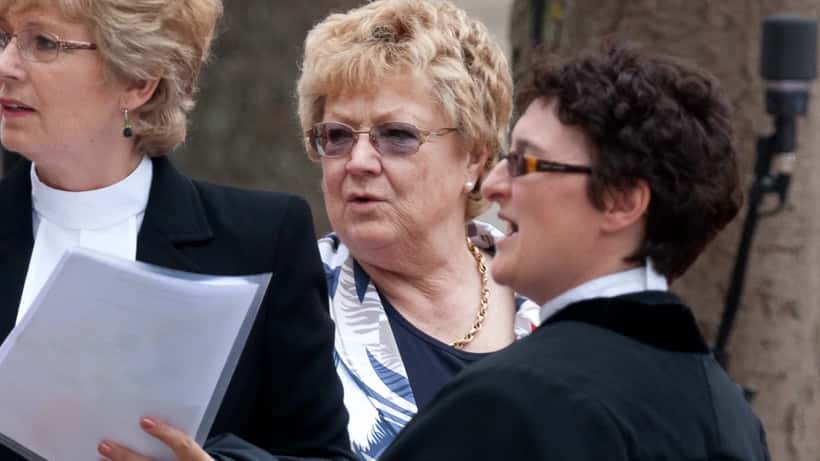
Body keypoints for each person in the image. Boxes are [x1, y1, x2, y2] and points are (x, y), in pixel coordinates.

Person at [379, 44, 772, 460]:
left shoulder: (510, 404)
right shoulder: (733, 419)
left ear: (621, 201)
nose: (492, 185)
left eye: (525, 163)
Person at [0, 1, 351, 460]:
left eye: (43, 42)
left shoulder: (261, 241)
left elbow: (320, 454)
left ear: (138, 82)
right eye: (5, 37)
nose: (6, 66)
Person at [296, 0, 540, 458]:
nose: (359, 162)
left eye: (397, 135)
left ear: (475, 157)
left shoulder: (552, 295)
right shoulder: (288, 299)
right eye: (338, 136)